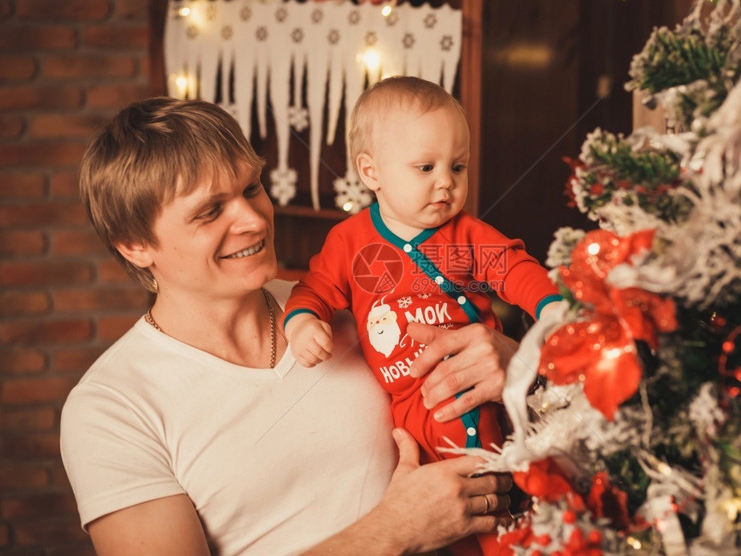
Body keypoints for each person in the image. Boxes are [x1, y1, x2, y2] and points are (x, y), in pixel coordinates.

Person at [60, 96, 516, 555]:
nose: (255, 221)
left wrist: (513, 365)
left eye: (252, 188)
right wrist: (394, 529)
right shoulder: (110, 408)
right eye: (211, 211)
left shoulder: (348, 305)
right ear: (136, 245)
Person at [281, 77, 562, 555]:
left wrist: (552, 308)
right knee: (441, 512)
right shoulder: (350, 242)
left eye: (458, 166)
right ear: (371, 171)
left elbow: (514, 268)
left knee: (496, 496)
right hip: (409, 407)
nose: (446, 182)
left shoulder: (467, 235)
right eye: (425, 167)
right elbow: (316, 288)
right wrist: (303, 321)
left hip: (475, 389)